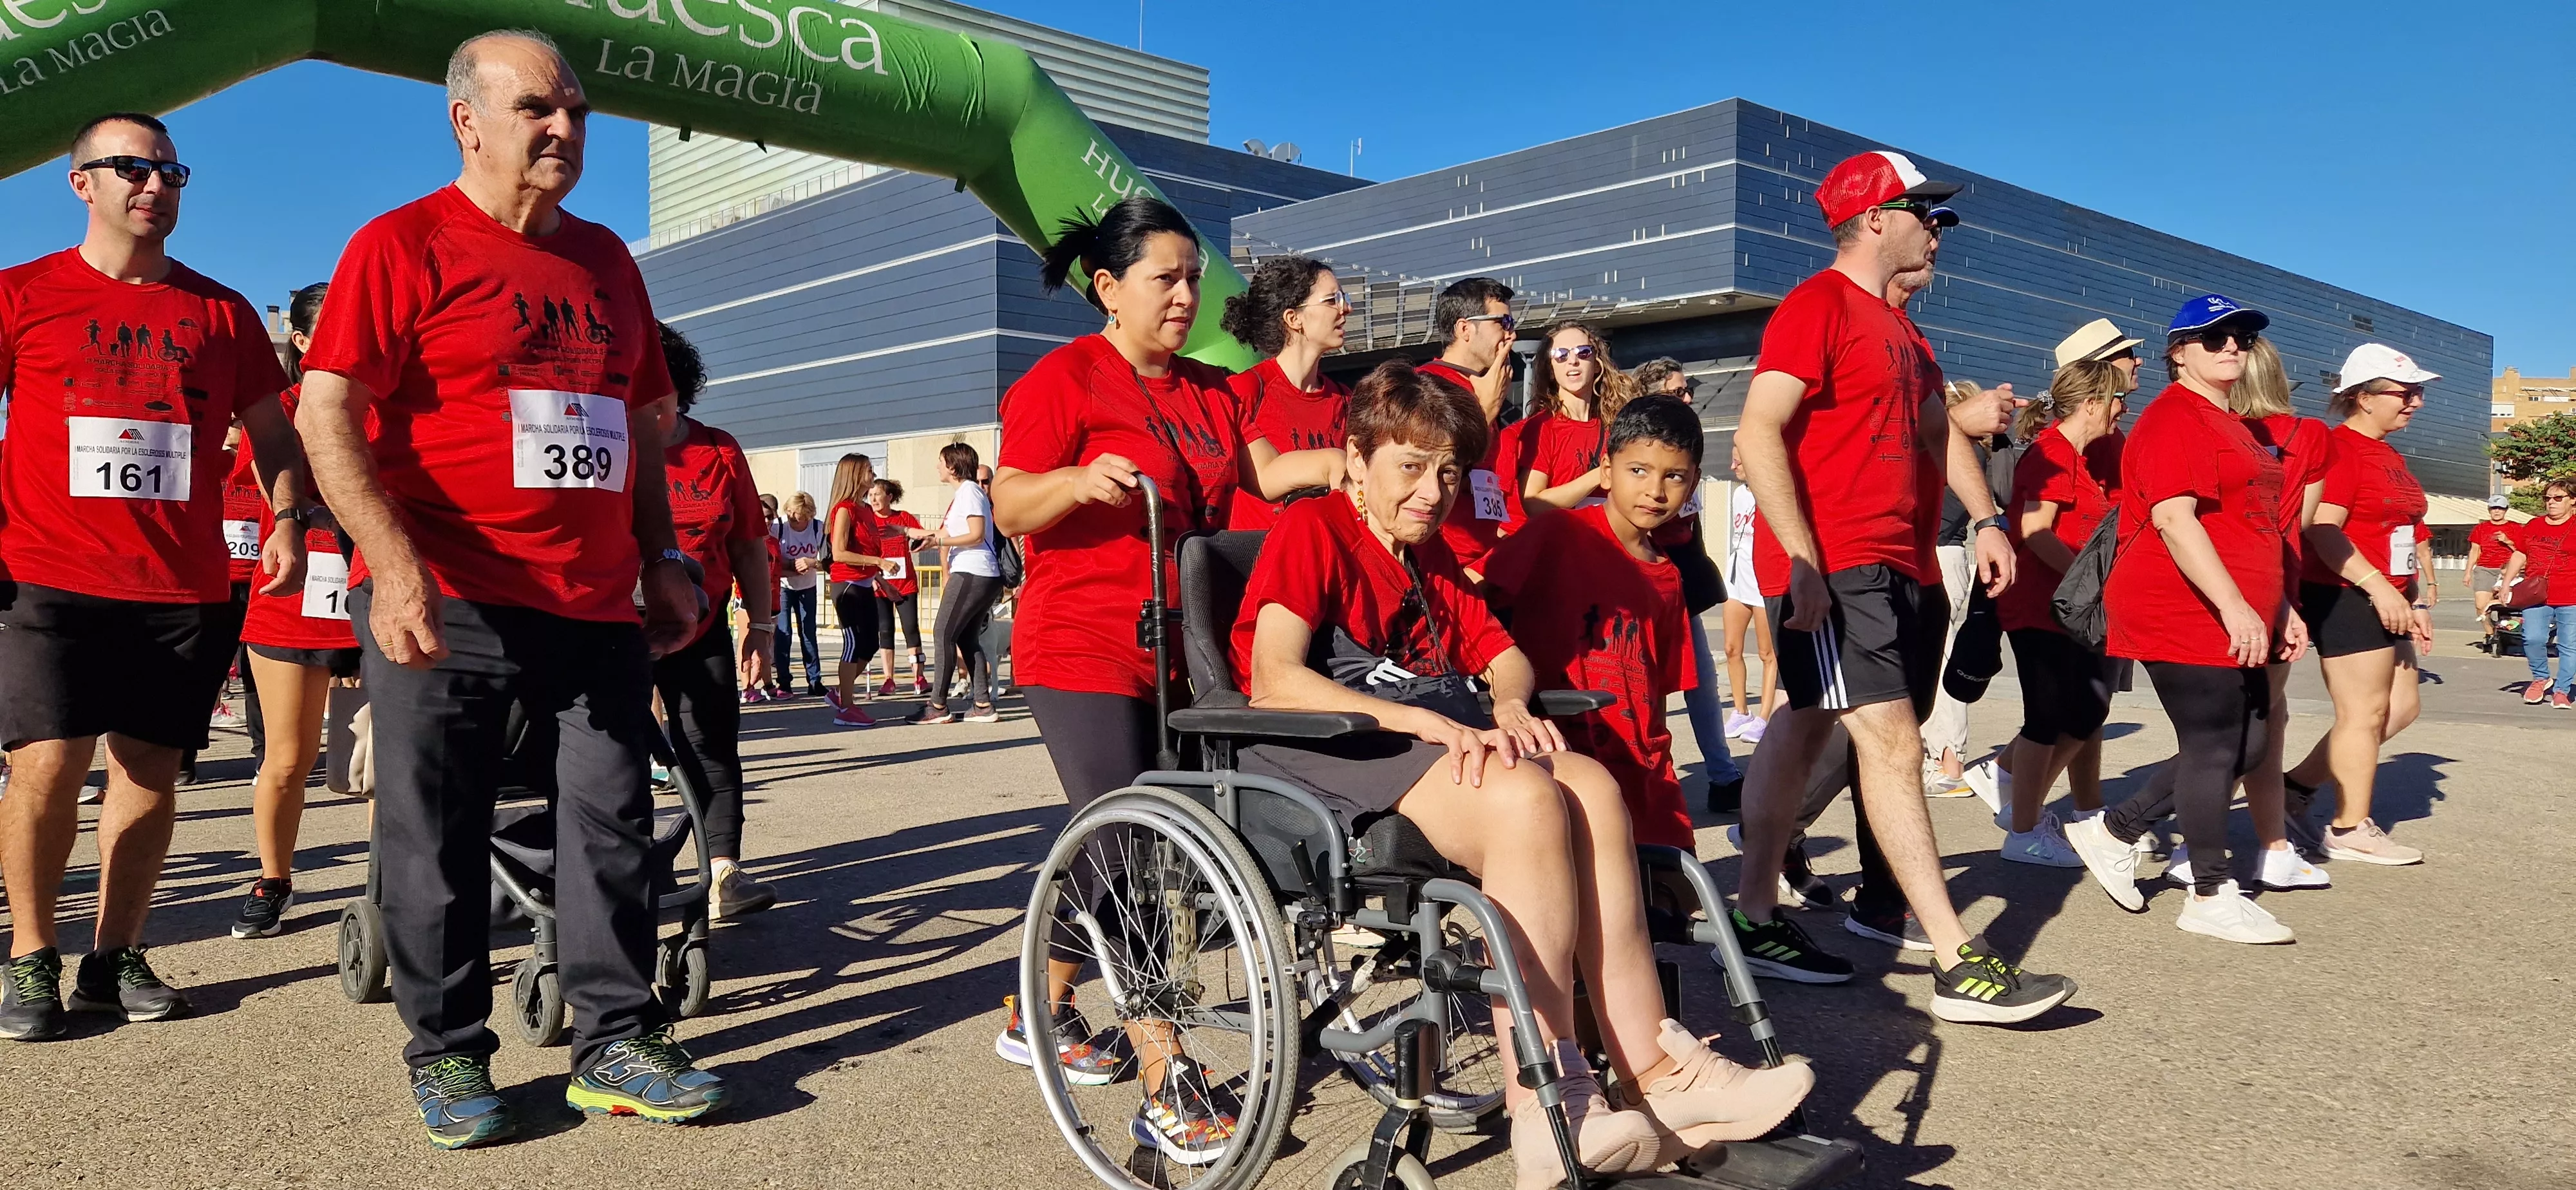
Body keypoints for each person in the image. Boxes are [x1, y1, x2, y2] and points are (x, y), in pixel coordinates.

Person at [295, 32, 726, 1145]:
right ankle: (447, 1052)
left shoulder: (605, 259)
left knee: (613, 822)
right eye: (538, 108)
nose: (565, 129)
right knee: (437, 833)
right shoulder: (401, 244)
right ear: (467, 121)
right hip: (450, 595)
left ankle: (616, 1040)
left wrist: (663, 558)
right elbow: (326, 413)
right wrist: (394, 565)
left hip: (593, 601)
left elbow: (638, 425)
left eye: (577, 109)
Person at [1234, 364, 1812, 1187]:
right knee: (1527, 797)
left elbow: (1504, 654)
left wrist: (1507, 703)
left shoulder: (1428, 557)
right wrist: (1417, 720)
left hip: (1423, 738)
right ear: (1357, 458)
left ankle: (1660, 1074)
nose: (1432, 493)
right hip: (1331, 747)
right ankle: (1548, 1103)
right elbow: (1274, 678)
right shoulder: (1313, 529)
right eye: (1411, 467)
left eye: (1447, 473)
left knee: (1590, 785)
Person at [987, 194, 1343, 1162]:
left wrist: (1357, 468)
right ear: (1109, 288)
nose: (1186, 295)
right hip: (1083, 647)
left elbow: (1259, 485)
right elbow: (1010, 503)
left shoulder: (1213, 392)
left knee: (1154, 847)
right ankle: (1165, 1077)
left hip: (1184, 655)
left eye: (1193, 278)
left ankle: (1037, 1007)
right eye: (1165, 279)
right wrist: (1074, 482)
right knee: (1129, 846)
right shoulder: (1064, 380)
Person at [1725, 151, 2073, 1021]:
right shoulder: (1816, 305)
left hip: (1901, 563)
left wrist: (1986, 518)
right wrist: (1802, 560)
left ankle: (1755, 914)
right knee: (1891, 744)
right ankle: (1958, 961)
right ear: (1876, 218)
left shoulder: (1906, 334)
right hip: (1836, 561)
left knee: (1802, 728)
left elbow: (1936, 434)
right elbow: (1758, 431)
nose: (1939, 230)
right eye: (1926, 213)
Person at [0, 111, 307, 1041]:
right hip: (46, 570)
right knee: (48, 765)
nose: (154, 185)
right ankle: (31, 956)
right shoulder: (23, 294)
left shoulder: (220, 311)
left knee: (149, 773)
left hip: (180, 584)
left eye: (171, 172)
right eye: (131, 168)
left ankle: (115, 955)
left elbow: (274, 432)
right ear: (81, 183)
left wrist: (286, 516)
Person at [2064, 294, 2307, 945]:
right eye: (2213, 337)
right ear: (2178, 353)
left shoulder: (2235, 424)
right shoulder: (2174, 418)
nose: (2231, 346)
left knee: (2251, 745)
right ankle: (2208, 892)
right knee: (2214, 743)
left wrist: (2280, 606)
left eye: (2240, 337)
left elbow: (2256, 528)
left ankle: (2114, 830)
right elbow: (2174, 519)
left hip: (2240, 605)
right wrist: (2233, 605)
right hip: (2181, 603)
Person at [1486, 395, 1706, 848]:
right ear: (1607, 471)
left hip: (1644, 775)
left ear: (1694, 483)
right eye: (1639, 470)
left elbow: (1659, 695)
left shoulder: (1669, 579)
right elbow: (1476, 608)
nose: (1655, 490)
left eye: (1674, 476)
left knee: (1674, 884)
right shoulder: (1556, 533)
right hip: (1561, 763)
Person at [229, 282, 368, 940]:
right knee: (287, 759)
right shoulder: (278, 409)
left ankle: (388, 884)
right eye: (331, 327)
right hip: (293, 599)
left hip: (374, 595)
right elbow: (274, 483)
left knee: (380, 762)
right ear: (303, 340)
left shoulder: (383, 405)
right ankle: (272, 879)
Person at [2269, 345, 2439, 869]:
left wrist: (2414, 597)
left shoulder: (2388, 453)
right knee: (2362, 713)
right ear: (2363, 398)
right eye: (2404, 393)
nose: (2415, 402)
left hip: (2389, 595)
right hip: (2346, 592)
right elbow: (2322, 528)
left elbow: (2404, 530)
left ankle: (2294, 788)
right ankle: (2349, 827)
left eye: (2418, 392)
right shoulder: (2339, 448)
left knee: (2401, 708)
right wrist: (2378, 587)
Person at [650, 323, 781, 920]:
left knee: (712, 746)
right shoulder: (609, 442)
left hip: (702, 629)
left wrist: (761, 625)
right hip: (618, 627)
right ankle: (629, 873)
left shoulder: (718, 450)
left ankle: (722, 871)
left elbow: (749, 544)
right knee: (614, 754)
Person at [1991, 360, 2126, 867]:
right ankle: (2024, 832)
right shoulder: (2053, 453)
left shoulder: (2079, 457)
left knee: (2086, 711)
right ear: (2091, 404)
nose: (2122, 408)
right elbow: (2035, 530)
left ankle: (2021, 814)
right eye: (2116, 399)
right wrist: (2085, 580)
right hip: (2040, 608)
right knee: (2047, 718)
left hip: (2070, 612)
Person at [1220, 253, 1352, 530]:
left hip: (1324, 548)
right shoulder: (1244, 390)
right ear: (1294, 318)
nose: (1346, 309)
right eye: (1332, 300)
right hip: (1257, 551)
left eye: (1344, 299)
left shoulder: (1345, 400)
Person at [1421, 276, 1525, 580]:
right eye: (1502, 322)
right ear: (1465, 329)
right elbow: (1432, 465)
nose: (1511, 334)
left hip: (1486, 557)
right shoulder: (1426, 385)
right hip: (1443, 564)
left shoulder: (1488, 384)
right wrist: (1484, 412)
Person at [909, 443, 1003, 724]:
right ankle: (982, 705)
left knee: (943, 633)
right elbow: (945, 532)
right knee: (965, 638)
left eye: (941, 462)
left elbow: (976, 534)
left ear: (952, 467)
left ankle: (938, 706)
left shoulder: (970, 492)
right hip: (979, 573)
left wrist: (939, 542)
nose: (937, 467)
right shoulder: (965, 494)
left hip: (972, 571)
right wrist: (906, 531)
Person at [1516, 323, 1627, 510]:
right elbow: (1533, 504)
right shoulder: (1542, 427)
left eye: (1583, 352)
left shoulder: (1617, 424)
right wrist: (1600, 473)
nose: (1573, 361)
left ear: (1597, 364)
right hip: (1564, 529)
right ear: (1551, 370)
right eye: (1561, 355)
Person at [1718, 446, 1781, 748]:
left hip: (1763, 581)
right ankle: (1741, 711)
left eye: (1738, 462)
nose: (1733, 467)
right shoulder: (1739, 495)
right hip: (1736, 578)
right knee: (1732, 648)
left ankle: (1765, 716)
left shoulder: (1773, 494)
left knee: (1768, 654)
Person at [824, 453, 889, 725]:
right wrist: (878, 562)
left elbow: (869, 549)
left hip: (864, 583)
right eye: (869, 470)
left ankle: (842, 692)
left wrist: (882, 580)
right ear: (854, 474)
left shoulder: (865, 509)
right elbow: (839, 553)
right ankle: (846, 707)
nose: (873, 474)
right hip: (847, 585)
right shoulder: (844, 509)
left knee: (871, 643)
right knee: (852, 643)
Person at [2499, 477, 2576, 706]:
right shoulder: (2534, 525)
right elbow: (2520, 554)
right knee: (2532, 638)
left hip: (2571, 595)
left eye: (2558, 498)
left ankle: (2562, 690)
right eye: (2547, 498)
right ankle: (2541, 678)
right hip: (2536, 594)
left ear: (2573, 500)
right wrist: (2506, 583)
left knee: (2569, 645)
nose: (2551, 502)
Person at [865, 478, 927, 697]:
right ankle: (888, 679)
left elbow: (922, 537)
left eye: (877, 494)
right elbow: (863, 550)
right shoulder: (869, 520)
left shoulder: (903, 518)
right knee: (885, 630)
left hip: (905, 584)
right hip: (879, 585)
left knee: (911, 629)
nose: (873, 499)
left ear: (890, 497)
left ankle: (919, 677)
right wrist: (871, 574)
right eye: (870, 495)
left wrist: (916, 539)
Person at [772, 491, 827, 697]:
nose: (794, 519)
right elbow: (771, 561)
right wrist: (791, 566)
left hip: (808, 587)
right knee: (783, 633)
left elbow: (829, 562)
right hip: (784, 587)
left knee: (809, 633)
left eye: (799, 516)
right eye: (790, 514)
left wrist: (812, 563)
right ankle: (784, 682)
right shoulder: (778, 527)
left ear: (809, 515)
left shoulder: (817, 528)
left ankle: (814, 680)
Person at [2468, 496, 2517, 648]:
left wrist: (2508, 541)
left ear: (2506, 510)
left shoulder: (2516, 528)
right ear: (2489, 510)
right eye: (2494, 508)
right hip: (2485, 569)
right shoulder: (2481, 528)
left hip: (2508, 570)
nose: (2497, 511)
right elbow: (2475, 551)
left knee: (2507, 605)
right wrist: (2468, 571)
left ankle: (2506, 632)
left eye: (2500, 508)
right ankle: (2490, 634)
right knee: (2481, 605)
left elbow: (2522, 551)